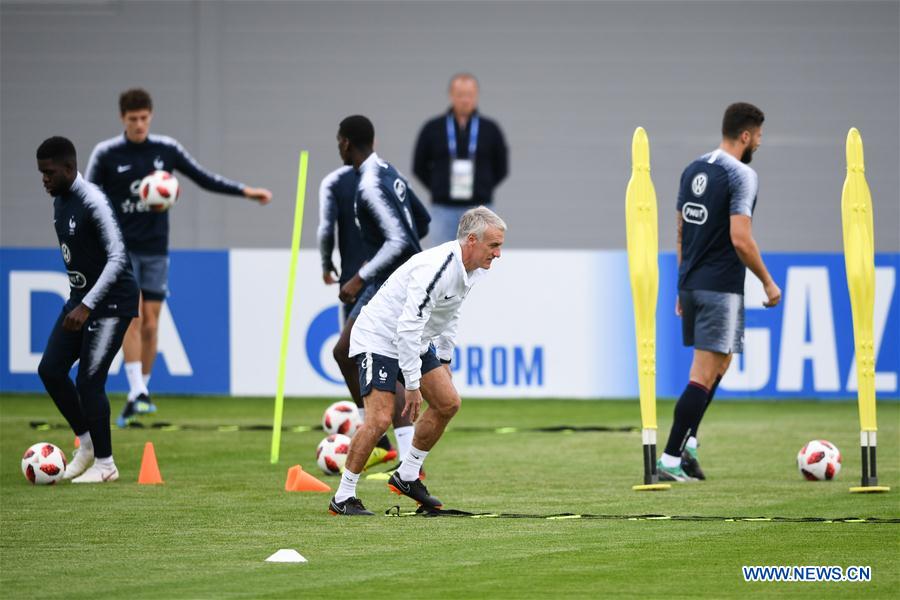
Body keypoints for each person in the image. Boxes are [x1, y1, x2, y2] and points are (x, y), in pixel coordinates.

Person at [85, 88, 272, 427]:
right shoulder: (106, 153)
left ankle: (139, 393)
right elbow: (89, 197)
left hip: (157, 247)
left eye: (143, 118)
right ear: (122, 119)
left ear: (151, 115)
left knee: (153, 323)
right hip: (120, 251)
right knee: (134, 317)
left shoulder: (166, 149)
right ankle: (137, 390)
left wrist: (246, 192)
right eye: (132, 120)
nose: (139, 124)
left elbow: (203, 177)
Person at [328, 206, 506, 516]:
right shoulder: (437, 267)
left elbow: (449, 314)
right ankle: (343, 497)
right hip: (380, 337)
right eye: (494, 245)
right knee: (380, 419)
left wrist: (446, 359)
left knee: (448, 402)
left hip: (414, 339)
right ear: (472, 240)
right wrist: (412, 385)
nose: (499, 253)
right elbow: (406, 326)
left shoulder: (471, 270)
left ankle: (407, 475)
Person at [657, 102, 782, 482]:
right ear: (746, 135)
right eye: (758, 136)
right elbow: (741, 239)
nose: (759, 143)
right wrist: (767, 280)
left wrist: (682, 283)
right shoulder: (743, 175)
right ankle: (668, 460)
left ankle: (689, 447)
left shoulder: (693, 168)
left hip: (695, 282)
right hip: (719, 286)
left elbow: (681, 230)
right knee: (703, 372)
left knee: (720, 366)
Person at [322, 116, 431, 469]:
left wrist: (359, 277)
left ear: (345, 143)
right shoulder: (389, 171)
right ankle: (389, 446)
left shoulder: (368, 184)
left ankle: (393, 447)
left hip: (387, 284)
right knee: (353, 354)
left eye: (339, 141)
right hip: (392, 280)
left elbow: (398, 240)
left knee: (350, 353)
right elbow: (422, 220)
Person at [35, 136, 140, 483]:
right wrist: (79, 300)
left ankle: (106, 465)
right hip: (81, 300)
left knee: (90, 382)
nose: (44, 180)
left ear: (68, 168)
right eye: (41, 173)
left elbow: (118, 258)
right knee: (50, 369)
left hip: (111, 302)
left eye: (49, 173)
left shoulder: (93, 201)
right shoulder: (59, 202)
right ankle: (87, 444)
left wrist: (88, 304)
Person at [413, 73, 508, 244]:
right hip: (443, 208)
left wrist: (482, 185)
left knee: (479, 260)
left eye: (469, 95)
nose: (465, 100)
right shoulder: (433, 128)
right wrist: (438, 186)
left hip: (480, 208)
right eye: (460, 95)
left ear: (476, 95)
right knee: (442, 259)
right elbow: (419, 166)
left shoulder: (490, 129)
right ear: (451, 95)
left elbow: (501, 167)